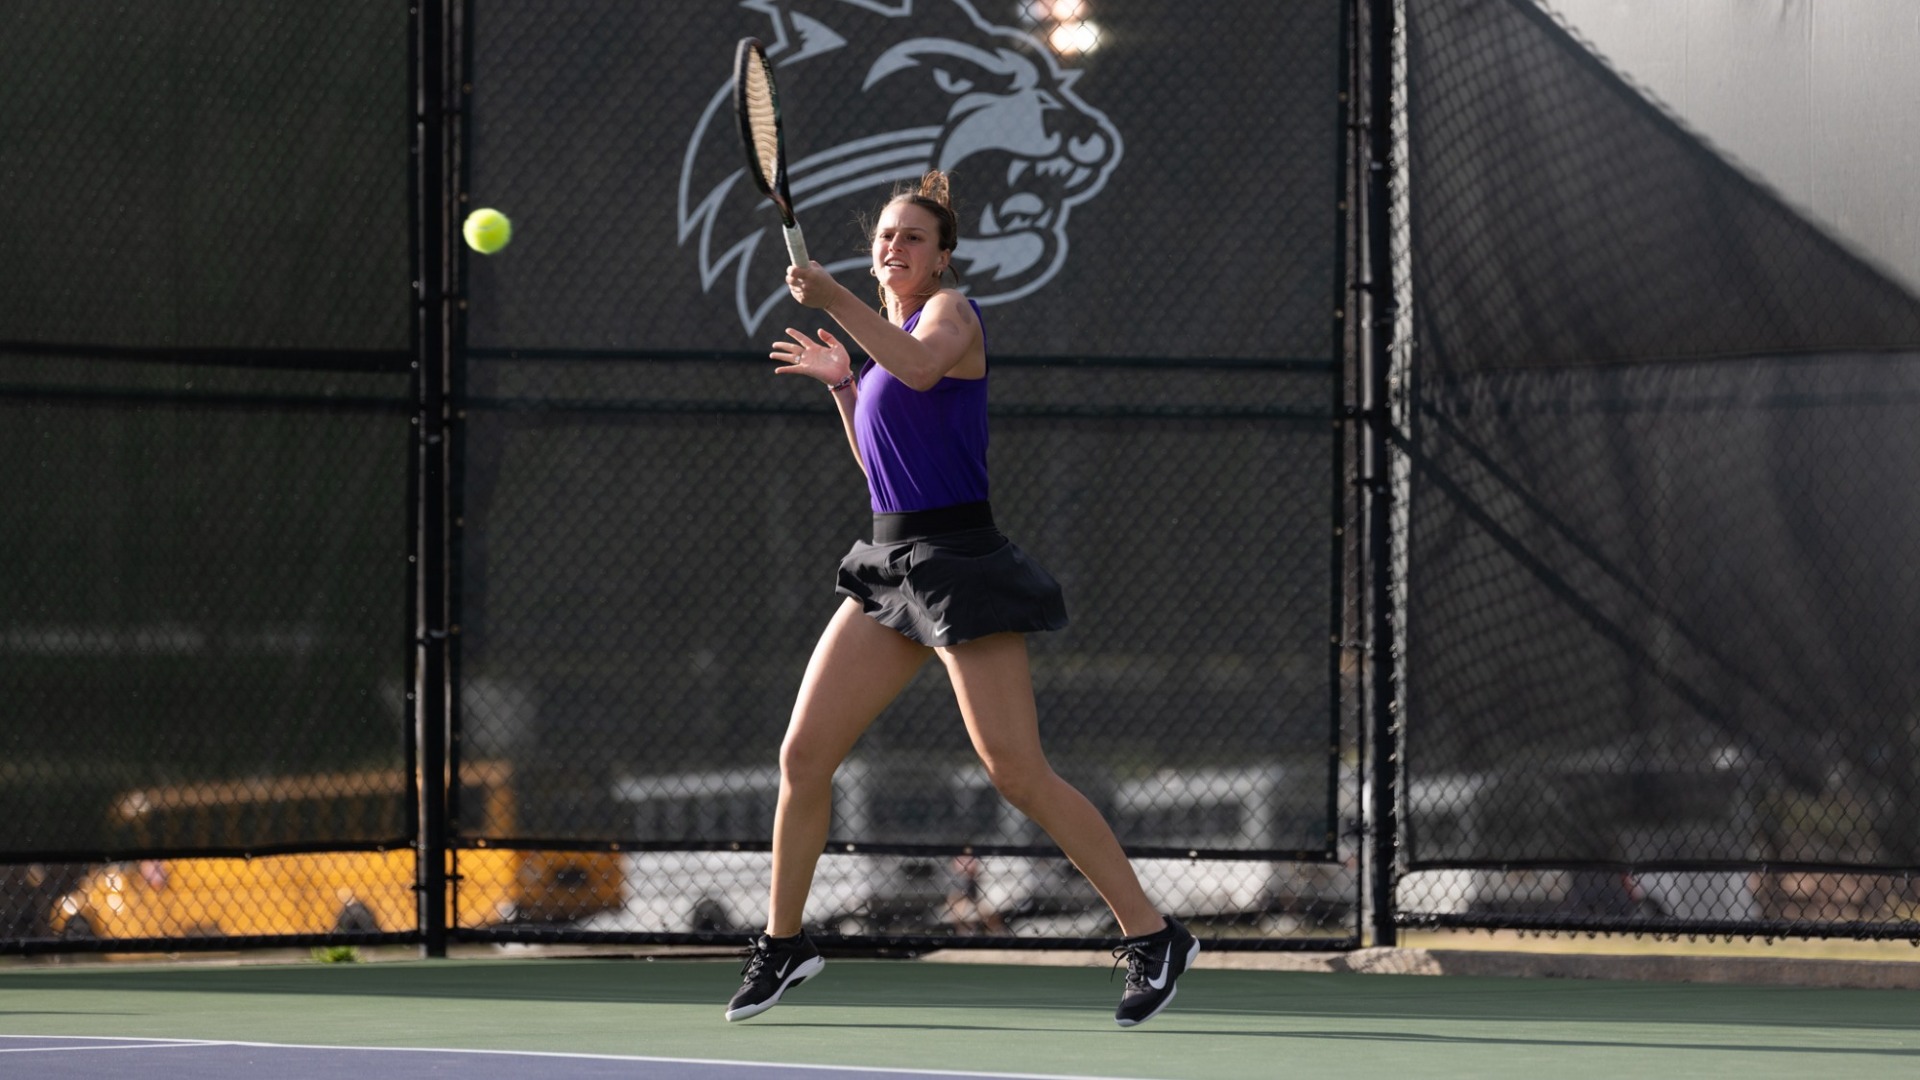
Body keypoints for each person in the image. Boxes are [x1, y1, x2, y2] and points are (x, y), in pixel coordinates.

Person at [723, 171, 1198, 1028]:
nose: (893, 248)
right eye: (885, 237)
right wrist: (842, 383)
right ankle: (784, 942)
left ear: (942, 259)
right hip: (887, 558)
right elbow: (881, 472)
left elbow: (917, 365)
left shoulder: (948, 317)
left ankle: (1153, 933)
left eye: (912, 238)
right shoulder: (883, 340)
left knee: (1016, 773)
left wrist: (834, 302)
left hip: (959, 562)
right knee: (803, 756)